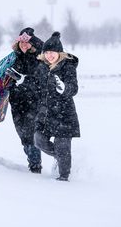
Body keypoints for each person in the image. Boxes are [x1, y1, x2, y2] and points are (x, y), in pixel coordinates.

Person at [0, 27, 44, 173]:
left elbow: (40, 80)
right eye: (21, 42)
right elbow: (0, 73)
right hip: (16, 102)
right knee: (23, 134)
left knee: (31, 134)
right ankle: (33, 160)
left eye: (27, 42)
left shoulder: (39, 58)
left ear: (32, 44)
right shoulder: (13, 58)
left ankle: (36, 165)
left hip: (34, 102)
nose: (24, 45)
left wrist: (22, 79)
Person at [33, 32, 80, 181]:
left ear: (59, 53)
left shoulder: (68, 66)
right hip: (46, 113)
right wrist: (22, 81)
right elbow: (36, 86)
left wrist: (64, 88)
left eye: (52, 52)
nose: (49, 55)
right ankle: (60, 158)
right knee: (38, 140)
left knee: (62, 146)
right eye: (46, 52)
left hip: (64, 113)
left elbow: (74, 88)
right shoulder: (41, 67)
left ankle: (64, 177)